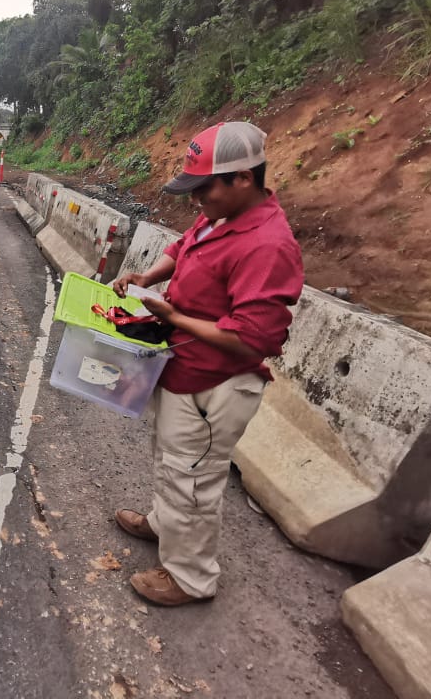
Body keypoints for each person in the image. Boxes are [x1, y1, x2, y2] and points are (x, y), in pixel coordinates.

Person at [111, 120, 304, 606]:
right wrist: (146, 275)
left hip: (216, 385)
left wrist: (174, 315)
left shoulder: (268, 245)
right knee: (172, 461)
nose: (194, 200)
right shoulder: (219, 215)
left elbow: (250, 340)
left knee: (194, 480)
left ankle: (191, 578)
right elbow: (182, 248)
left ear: (243, 178)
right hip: (181, 369)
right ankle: (163, 524)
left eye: (204, 189)